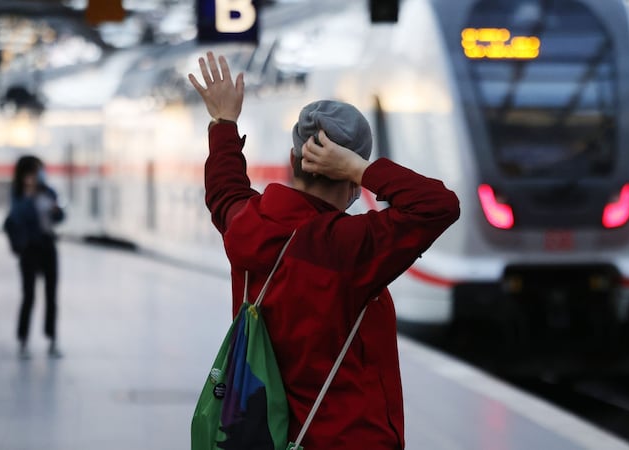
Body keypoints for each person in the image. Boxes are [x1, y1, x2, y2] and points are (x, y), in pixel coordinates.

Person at [189, 52, 460, 449]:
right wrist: (361, 170)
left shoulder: (248, 223)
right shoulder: (349, 246)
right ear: (348, 177)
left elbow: (224, 190)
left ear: (292, 160)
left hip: (263, 433)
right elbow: (438, 205)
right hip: (346, 437)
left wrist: (224, 122)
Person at [4, 155, 65, 358]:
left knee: (51, 295)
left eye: (39, 170)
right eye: (33, 171)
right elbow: (16, 217)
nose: (38, 175)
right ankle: (23, 341)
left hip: (48, 245)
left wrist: (57, 212)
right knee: (29, 295)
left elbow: (60, 217)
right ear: (23, 175)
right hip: (29, 249)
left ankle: (52, 339)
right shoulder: (18, 195)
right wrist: (28, 196)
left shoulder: (49, 192)